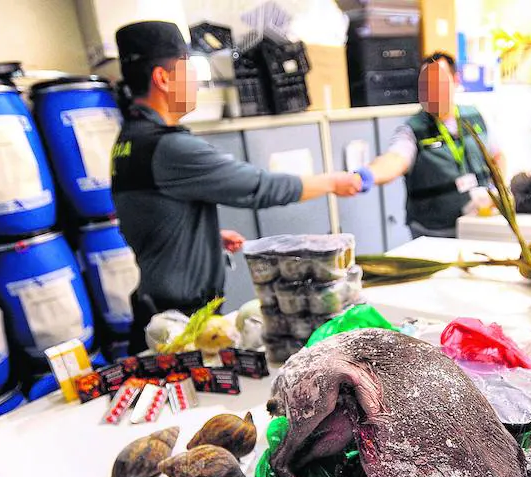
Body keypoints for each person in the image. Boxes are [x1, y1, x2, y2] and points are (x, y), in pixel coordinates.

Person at [110, 21, 362, 352]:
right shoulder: (168, 147)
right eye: (189, 69)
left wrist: (201, 239)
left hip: (158, 310)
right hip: (181, 326)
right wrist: (332, 181)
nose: (196, 82)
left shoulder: (129, 141)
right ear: (163, 78)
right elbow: (258, 187)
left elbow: (146, 215)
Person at [354, 52, 506, 238]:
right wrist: (366, 176)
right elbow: (395, 159)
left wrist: (499, 191)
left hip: (477, 224)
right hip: (434, 231)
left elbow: (497, 156)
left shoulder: (475, 116)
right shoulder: (412, 129)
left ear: (455, 80)